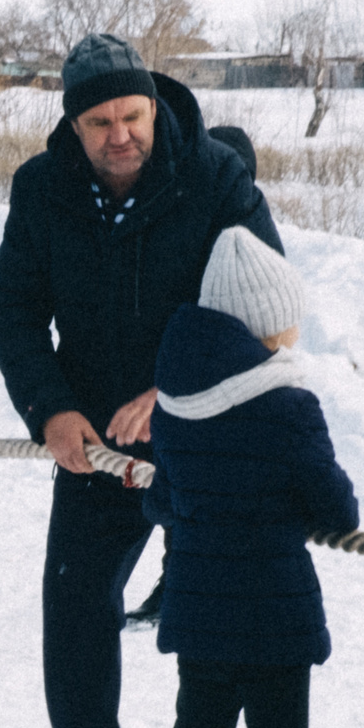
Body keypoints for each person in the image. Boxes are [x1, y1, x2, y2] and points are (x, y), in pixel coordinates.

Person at [0, 33, 281, 728]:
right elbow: (13, 309)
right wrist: (49, 410)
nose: (120, 135)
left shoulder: (216, 179)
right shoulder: (43, 189)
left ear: (154, 106)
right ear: (73, 128)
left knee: (235, 618)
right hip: (94, 439)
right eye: (99, 122)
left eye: (132, 114)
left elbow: (267, 308)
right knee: (76, 595)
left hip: (208, 434)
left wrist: (175, 386)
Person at [129, 233, 359, 728]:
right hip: (275, 621)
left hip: (199, 611)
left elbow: (162, 496)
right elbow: (335, 507)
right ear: (266, 326)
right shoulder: (289, 404)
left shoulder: (175, 396)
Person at [127, 122, 263, 632]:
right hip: (178, 378)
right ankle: (176, 581)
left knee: (215, 494)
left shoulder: (248, 233)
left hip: (233, 384)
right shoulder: (179, 217)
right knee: (177, 486)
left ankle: (203, 587)